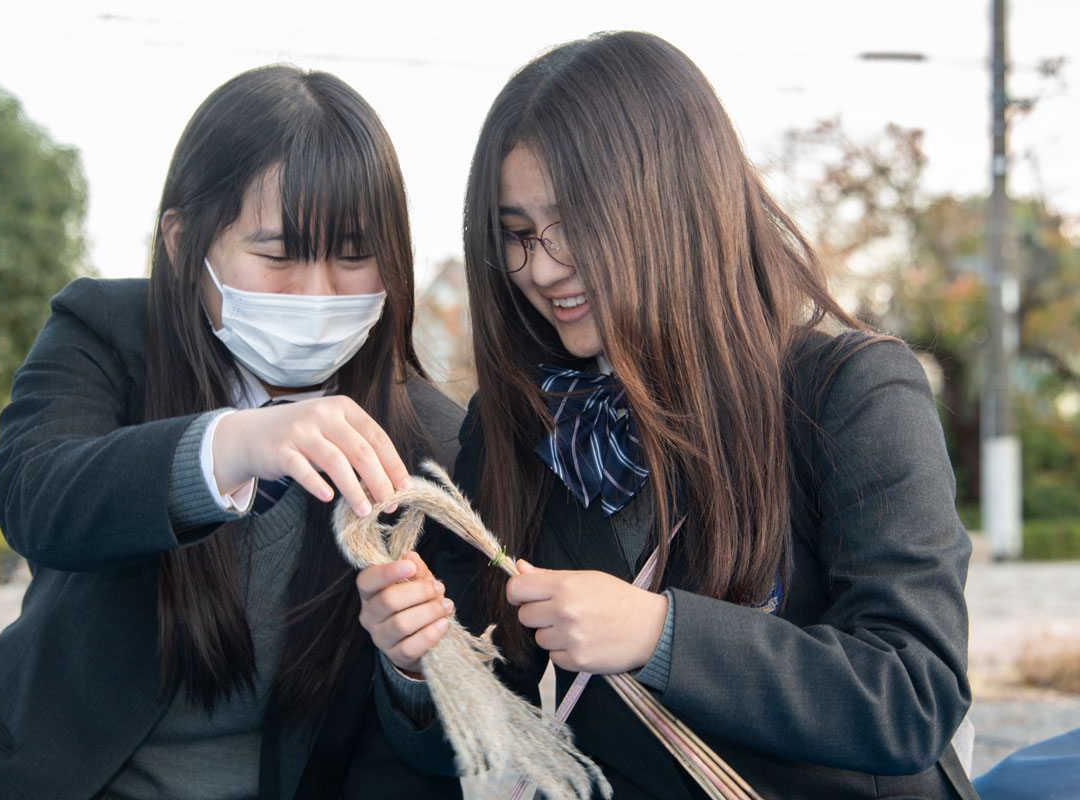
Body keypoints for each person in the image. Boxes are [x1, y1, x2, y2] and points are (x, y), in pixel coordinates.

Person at [356, 31, 978, 799]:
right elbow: (488, 744)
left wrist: (658, 634)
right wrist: (418, 667)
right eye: (516, 235)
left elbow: (913, 696)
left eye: (574, 223)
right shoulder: (513, 426)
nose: (543, 267)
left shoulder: (851, 392)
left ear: (674, 204)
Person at [0, 65, 463, 800]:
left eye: (353, 254)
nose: (319, 293)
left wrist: (411, 670)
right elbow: (32, 495)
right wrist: (236, 443)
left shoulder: (434, 447)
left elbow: (440, 748)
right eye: (279, 254)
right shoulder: (107, 333)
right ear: (185, 244)